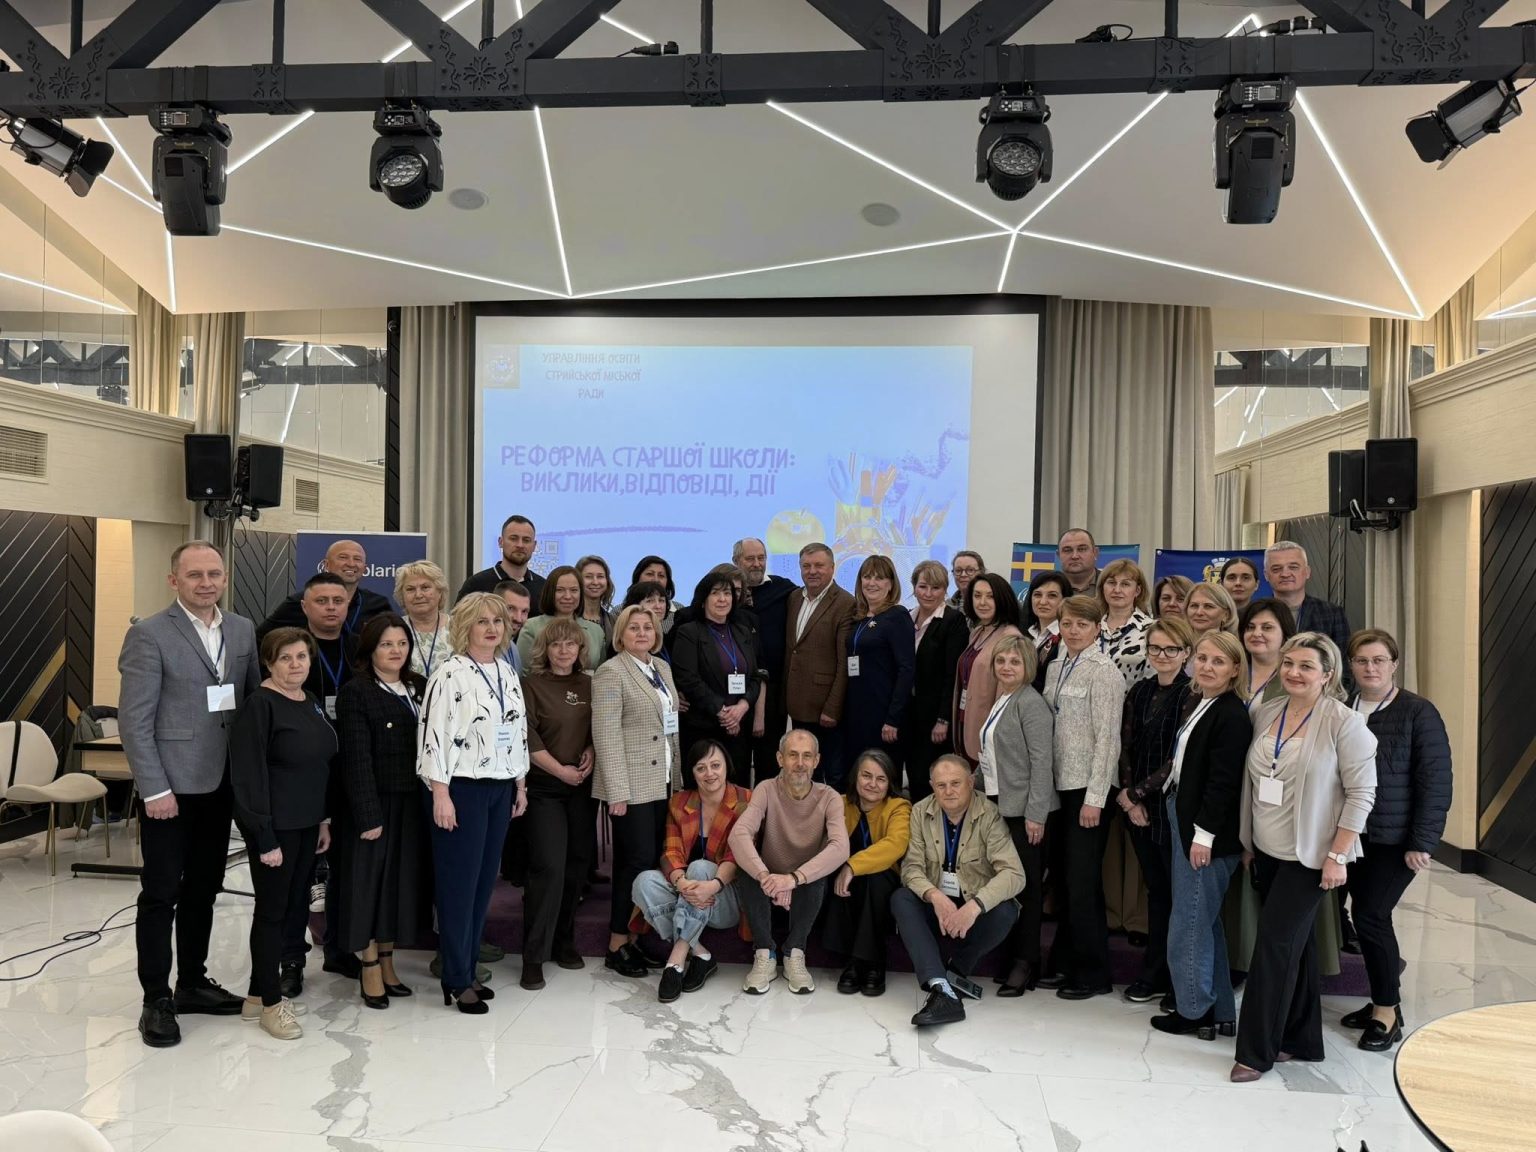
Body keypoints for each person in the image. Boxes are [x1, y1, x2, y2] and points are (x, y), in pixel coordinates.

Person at [118, 541, 261, 1048]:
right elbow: (134, 722)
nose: (206, 583)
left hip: (221, 783)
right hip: (170, 789)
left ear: (224, 578)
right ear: (173, 580)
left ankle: (193, 983)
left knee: (205, 887)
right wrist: (154, 788)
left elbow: (250, 703)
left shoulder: (241, 629)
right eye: (195, 574)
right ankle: (156, 998)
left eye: (214, 574)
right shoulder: (149, 634)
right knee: (161, 893)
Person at [1231, 633, 1377, 1082]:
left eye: (1306, 666)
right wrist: (1249, 844)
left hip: (1311, 856)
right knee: (1296, 945)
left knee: (1273, 947)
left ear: (1328, 674)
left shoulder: (1345, 723)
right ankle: (1302, 1039)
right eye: (1289, 663)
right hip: (1267, 849)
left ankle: (1254, 1053)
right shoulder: (1267, 710)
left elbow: (1361, 794)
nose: (1294, 672)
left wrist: (1337, 855)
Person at [418, 592, 531, 1014]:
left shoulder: (506, 671)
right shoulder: (449, 673)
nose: (491, 628)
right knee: (458, 886)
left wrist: (520, 784)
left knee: (484, 884)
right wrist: (440, 793)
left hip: (500, 787)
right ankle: (455, 977)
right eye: (482, 621)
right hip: (461, 789)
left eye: (498, 621)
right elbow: (433, 736)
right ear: (465, 626)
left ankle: (467, 969)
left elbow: (517, 730)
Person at [1341, 628, 1452, 1052]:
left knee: (1371, 915)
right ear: (1351, 666)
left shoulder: (1417, 712)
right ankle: (1379, 1001)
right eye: (1362, 661)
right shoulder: (1342, 709)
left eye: (1379, 660)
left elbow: (1435, 780)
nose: (1370, 668)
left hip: (1393, 838)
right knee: (1355, 917)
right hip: (1347, 834)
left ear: (1394, 665)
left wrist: (1422, 841)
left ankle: (1387, 1011)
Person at [230, 628, 335, 1040]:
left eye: (301, 657)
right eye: (285, 658)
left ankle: (257, 996)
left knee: (293, 910)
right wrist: (265, 837)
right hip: (276, 829)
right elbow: (248, 776)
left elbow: (318, 765)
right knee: (272, 913)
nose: (295, 665)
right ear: (268, 663)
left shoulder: (308, 701)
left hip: (308, 824)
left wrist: (323, 820)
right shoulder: (260, 705)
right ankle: (272, 1006)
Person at [1149, 631, 1253, 1040]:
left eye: (1219, 661)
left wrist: (1203, 836)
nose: (1207, 667)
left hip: (1205, 833)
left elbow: (1223, 784)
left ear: (1235, 669)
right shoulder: (1203, 702)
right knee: (1204, 922)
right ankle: (1220, 1010)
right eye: (1203, 658)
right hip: (1187, 818)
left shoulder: (1231, 714)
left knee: (1188, 924)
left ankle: (1193, 1010)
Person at [332, 615, 427, 1010]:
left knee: (396, 887)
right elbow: (356, 760)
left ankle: (388, 961)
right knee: (367, 886)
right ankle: (368, 964)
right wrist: (368, 815)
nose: (396, 651)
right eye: (387, 644)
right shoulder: (356, 692)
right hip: (372, 804)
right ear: (370, 649)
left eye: (402, 643)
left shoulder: (419, 686)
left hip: (412, 803)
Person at [893, 754, 1025, 1027]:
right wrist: (935, 896)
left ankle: (956, 971)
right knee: (901, 898)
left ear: (971, 782)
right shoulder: (920, 811)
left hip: (972, 908)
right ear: (932, 786)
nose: (948, 791)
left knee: (1007, 910)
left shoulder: (989, 813)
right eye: (941, 785)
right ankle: (940, 985)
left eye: (955, 783)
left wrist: (975, 906)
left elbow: (1014, 874)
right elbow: (911, 869)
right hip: (937, 906)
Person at [1039, 594, 1125, 1000]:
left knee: (1082, 881)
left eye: (1082, 625)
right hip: (1058, 785)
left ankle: (1093, 973)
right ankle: (1064, 961)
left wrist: (1096, 797)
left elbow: (1109, 739)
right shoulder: (1056, 664)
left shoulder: (1104, 672)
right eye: (1068, 624)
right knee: (1063, 878)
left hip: (1087, 790)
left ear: (1097, 628)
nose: (1073, 631)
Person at [277, 572, 358, 993]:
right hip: (303, 778)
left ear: (348, 605)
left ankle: (340, 949)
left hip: (352, 773)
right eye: (321, 600)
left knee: (347, 869)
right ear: (305, 606)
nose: (330, 607)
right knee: (298, 876)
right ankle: (291, 959)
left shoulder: (359, 648)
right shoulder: (291, 651)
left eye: (337, 601)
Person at [592, 604, 681, 978]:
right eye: (634, 627)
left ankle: (635, 938)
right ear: (620, 635)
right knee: (634, 862)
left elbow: (670, 728)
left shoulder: (661, 668)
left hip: (663, 781)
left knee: (649, 863)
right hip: (630, 787)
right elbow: (606, 735)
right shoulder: (611, 672)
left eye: (648, 627)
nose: (642, 632)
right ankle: (617, 944)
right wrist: (616, 791)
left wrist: (677, 781)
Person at [728, 729, 850, 995]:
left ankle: (795, 952)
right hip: (768, 879)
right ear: (780, 759)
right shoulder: (766, 789)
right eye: (793, 755)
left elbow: (841, 848)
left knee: (818, 871)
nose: (800, 763)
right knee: (746, 868)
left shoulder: (829, 796)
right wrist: (765, 876)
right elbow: (739, 834)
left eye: (807, 756)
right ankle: (765, 953)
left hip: (806, 882)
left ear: (817, 760)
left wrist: (792, 879)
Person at [631, 741, 751, 1001]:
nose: (710, 773)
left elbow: (738, 856)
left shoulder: (745, 801)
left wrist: (713, 885)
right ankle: (701, 954)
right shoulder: (679, 802)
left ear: (727, 766)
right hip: (689, 892)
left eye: (716, 765)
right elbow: (670, 851)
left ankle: (676, 958)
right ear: (692, 772)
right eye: (701, 768)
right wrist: (681, 883)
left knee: (700, 867)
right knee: (643, 882)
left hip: (724, 897)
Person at [1114, 616, 1194, 1004]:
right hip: (1136, 807)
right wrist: (1130, 797)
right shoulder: (1140, 690)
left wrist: (1139, 794)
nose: (1162, 655)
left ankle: (1174, 977)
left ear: (1186, 653)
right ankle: (1153, 971)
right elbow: (1125, 745)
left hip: (1169, 806)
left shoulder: (1191, 694)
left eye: (1171, 649)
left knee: (1175, 895)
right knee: (1156, 892)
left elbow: (1177, 758)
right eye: (1155, 648)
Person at [517, 616, 596, 990]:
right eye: (556, 644)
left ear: (581, 649)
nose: (564, 650)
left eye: (570, 644)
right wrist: (560, 771)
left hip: (582, 787)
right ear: (544, 649)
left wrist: (592, 749)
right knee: (548, 867)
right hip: (544, 787)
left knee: (576, 866)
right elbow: (528, 738)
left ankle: (563, 941)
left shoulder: (590, 684)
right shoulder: (530, 685)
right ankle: (533, 956)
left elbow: (599, 727)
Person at [976, 635, 1056, 997]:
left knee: (1027, 888)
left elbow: (1042, 763)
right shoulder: (1004, 699)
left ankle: (1026, 962)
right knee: (1008, 884)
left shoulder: (1031, 703)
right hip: (1001, 807)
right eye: (1001, 661)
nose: (1006, 667)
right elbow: (991, 758)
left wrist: (1035, 815)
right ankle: (1013, 957)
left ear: (1028, 666)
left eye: (1015, 662)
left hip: (1026, 812)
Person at [823, 750, 911, 996]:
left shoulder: (899, 806)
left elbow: (895, 845)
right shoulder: (839, 803)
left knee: (875, 880)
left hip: (882, 880)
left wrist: (852, 866)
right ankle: (858, 960)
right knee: (836, 876)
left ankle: (868, 962)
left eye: (881, 779)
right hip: (846, 881)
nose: (873, 784)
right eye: (867, 776)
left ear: (889, 783)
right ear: (855, 777)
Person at [671, 571, 764, 788]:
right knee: (703, 792)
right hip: (703, 728)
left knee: (737, 793)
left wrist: (742, 707)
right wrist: (723, 713)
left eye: (727, 593)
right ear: (703, 600)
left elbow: (755, 676)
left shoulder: (742, 632)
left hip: (738, 729)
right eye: (715, 593)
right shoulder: (689, 632)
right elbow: (689, 680)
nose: (723, 599)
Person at [837, 555, 916, 787]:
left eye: (879, 578)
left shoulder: (897, 616)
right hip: (856, 712)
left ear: (891, 584)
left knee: (881, 778)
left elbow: (906, 669)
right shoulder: (859, 618)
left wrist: (893, 719)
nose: (871, 583)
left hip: (883, 715)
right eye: (867, 577)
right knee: (857, 777)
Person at [784, 543, 855, 774]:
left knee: (830, 773)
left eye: (819, 565)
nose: (812, 571)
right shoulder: (795, 597)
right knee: (803, 771)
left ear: (832, 568)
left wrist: (832, 708)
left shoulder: (846, 603)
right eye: (806, 566)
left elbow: (844, 663)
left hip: (825, 708)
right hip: (797, 703)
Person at [903, 560, 969, 803]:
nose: (928, 593)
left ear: (945, 590)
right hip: (908, 715)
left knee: (930, 780)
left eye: (936, 588)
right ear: (914, 587)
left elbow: (953, 675)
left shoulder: (953, 621)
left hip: (935, 719)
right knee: (912, 777)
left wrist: (943, 719)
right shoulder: (906, 618)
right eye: (923, 587)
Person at [735, 537, 798, 786]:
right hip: (733, 696)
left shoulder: (784, 589)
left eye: (761, 558)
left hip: (772, 694)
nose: (756, 564)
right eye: (750, 558)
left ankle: (768, 811)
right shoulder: (726, 592)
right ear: (736, 561)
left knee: (769, 765)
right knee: (736, 764)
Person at [953, 572, 1025, 767]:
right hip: (965, 721)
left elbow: (1007, 695)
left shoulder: (1010, 637)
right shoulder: (978, 632)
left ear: (1002, 599)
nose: (982, 602)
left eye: (990, 596)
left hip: (987, 730)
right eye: (977, 596)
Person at [257, 539, 393, 641]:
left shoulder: (378, 604)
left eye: (357, 559)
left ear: (364, 568)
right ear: (326, 565)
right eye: (343, 557)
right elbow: (260, 639)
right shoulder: (299, 602)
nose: (351, 564)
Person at [1263, 541, 1351, 659]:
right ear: (1266, 575)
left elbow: (1342, 662)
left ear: (1307, 572)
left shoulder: (1332, 613)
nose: (1285, 574)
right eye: (1276, 569)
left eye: (1293, 567)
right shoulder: (1256, 613)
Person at [516, 565, 605, 671]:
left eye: (574, 590)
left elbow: (600, 672)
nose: (567, 596)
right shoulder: (531, 627)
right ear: (550, 593)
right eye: (560, 590)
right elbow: (524, 672)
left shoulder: (596, 631)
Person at [458, 513, 546, 606]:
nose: (520, 545)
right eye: (513, 539)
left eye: (526, 540)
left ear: (534, 546)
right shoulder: (476, 585)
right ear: (501, 542)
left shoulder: (543, 588)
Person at [1098, 558, 1154, 686]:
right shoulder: (1090, 626)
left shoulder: (1151, 630)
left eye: (1125, 584)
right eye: (1111, 583)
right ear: (1102, 588)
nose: (1117, 590)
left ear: (1137, 591)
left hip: (1132, 698)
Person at [395, 560, 451, 681]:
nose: (418, 595)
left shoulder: (459, 628)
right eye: (410, 589)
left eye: (425, 587)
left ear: (440, 592)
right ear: (402, 596)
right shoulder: (393, 629)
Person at [1240, 598, 1297, 707]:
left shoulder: (1294, 677)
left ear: (1285, 634)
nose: (1256, 633)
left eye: (1267, 627)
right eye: (1250, 627)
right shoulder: (1232, 673)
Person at [1023, 570, 1072, 691]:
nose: (1043, 602)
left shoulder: (1069, 637)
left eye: (1052, 596)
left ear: (1065, 600)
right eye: (1037, 595)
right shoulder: (1025, 633)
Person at [631, 555, 680, 635]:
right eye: (650, 574)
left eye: (661, 576)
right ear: (637, 577)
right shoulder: (619, 611)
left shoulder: (679, 610)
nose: (656, 580)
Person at [575, 555, 616, 648]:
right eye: (588, 577)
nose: (595, 582)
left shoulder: (614, 621)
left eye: (600, 576)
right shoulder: (568, 618)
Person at [495, 579, 532, 674]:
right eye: (511, 608)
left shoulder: (513, 647)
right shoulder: (481, 648)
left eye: (524, 611)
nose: (518, 619)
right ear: (494, 606)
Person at [1057, 529, 1101, 595]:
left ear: (1095, 553)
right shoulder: (1048, 587)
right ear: (1058, 555)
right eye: (1067, 550)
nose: (1075, 556)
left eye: (1082, 549)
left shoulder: (1111, 585)